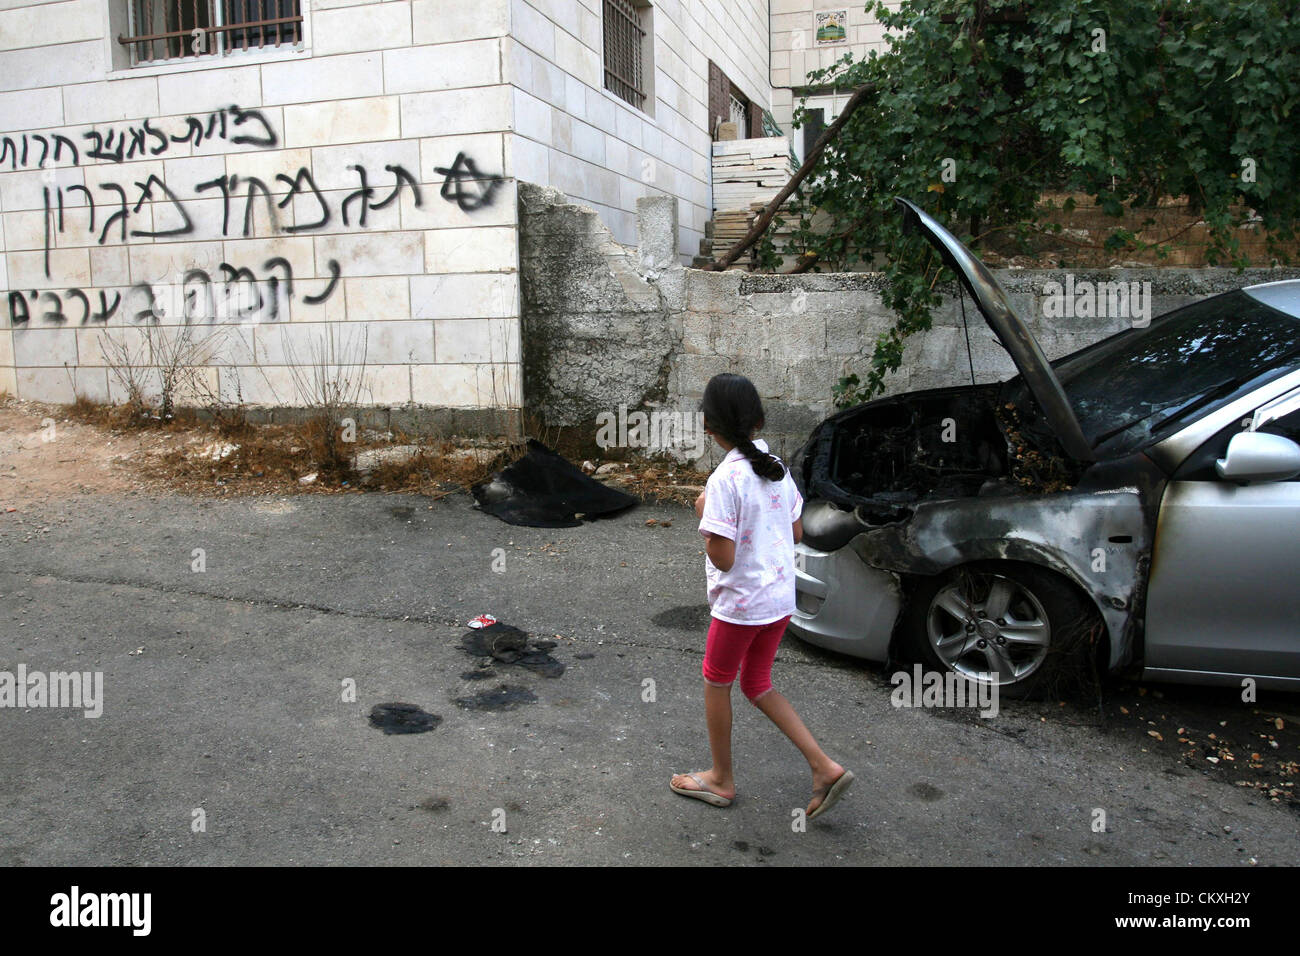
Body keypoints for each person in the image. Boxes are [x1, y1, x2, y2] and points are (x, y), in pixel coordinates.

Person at [670, 373, 853, 820]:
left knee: (717, 680)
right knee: (757, 683)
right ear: (758, 421)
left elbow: (725, 558)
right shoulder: (774, 466)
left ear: (709, 426)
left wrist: (704, 518)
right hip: (777, 602)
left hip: (741, 606)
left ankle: (720, 778)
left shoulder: (723, 481)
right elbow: (795, 530)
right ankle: (823, 767)